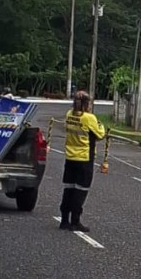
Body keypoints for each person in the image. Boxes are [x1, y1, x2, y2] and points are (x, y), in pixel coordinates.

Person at [59, 91, 107, 232]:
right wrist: (100, 124)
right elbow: (100, 134)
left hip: (70, 157)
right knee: (81, 190)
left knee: (68, 189)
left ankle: (64, 220)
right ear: (87, 104)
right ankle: (75, 221)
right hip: (84, 158)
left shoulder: (69, 114)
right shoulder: (89, 118)